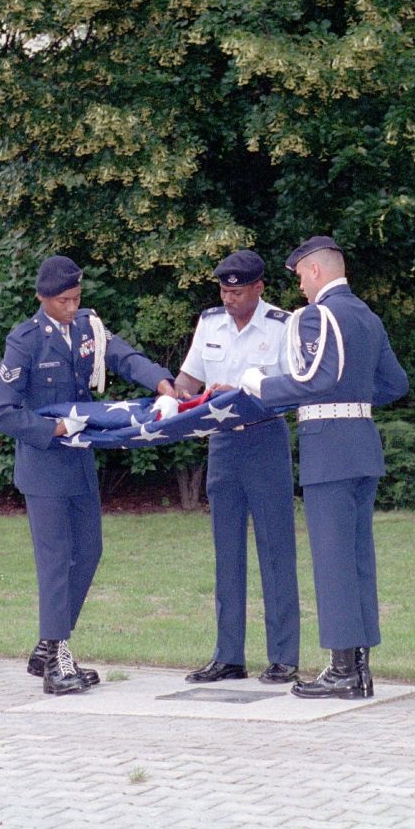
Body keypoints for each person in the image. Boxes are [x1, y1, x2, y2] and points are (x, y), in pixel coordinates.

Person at [0, 255, 176, 695]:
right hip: (44, 467)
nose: (73, 307)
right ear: (43, 299)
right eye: (64, 301)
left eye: (76, 298)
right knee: (55, 563)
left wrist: (162, 383)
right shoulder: (26, 340)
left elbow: (124, 357)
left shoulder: (89, 326)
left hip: (80, 463)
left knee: (89, 552)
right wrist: (49, 428)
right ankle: (57, 660)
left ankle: (48, 644)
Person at [239, 236, 408, 699]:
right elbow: (394, 383)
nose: (299, 285)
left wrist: (261, 385)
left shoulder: (318, 315)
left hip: (328, 449)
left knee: (333, 562)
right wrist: (353, 396)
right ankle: (360, 667)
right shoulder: (367, 317)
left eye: (299, 275)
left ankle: (341, 670)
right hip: (361, 446)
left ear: (315, 271)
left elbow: (316, 377)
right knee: (356, 560)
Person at [172, 250, 301, 685]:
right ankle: (228, 655)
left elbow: (293, 389)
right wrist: (173, 396)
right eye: (224, 291)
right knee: (227, 551)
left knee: (275, 549)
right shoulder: (209, 323)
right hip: (222, 443)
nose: (229, 299)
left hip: (264, 437)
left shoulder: (283, 326)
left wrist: (243, 391)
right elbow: (189, 378)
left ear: (259, 288)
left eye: (238, 291)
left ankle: (284, 655)